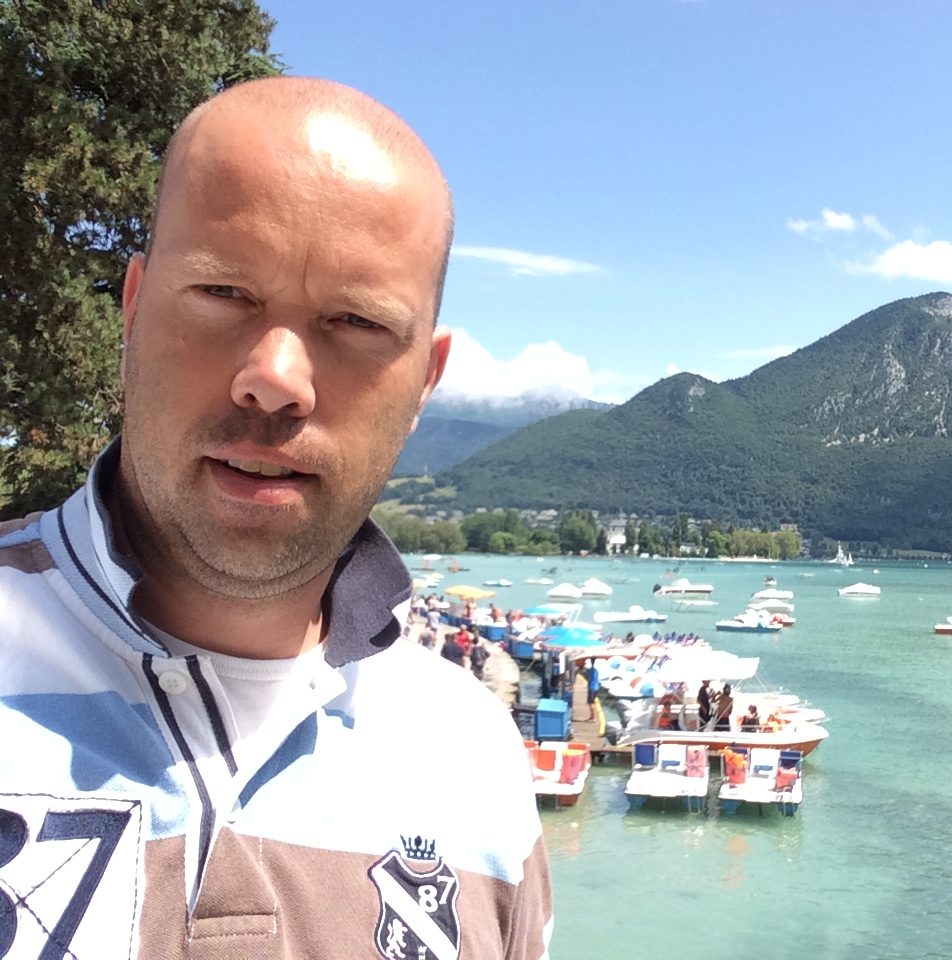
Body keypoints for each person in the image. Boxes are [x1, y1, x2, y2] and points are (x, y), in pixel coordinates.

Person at [0, 77, 552, 958]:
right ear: (134, 308)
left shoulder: (475, 759)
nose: (276, 378)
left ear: (424, 383)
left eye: (356, 321)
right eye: (224, 292)